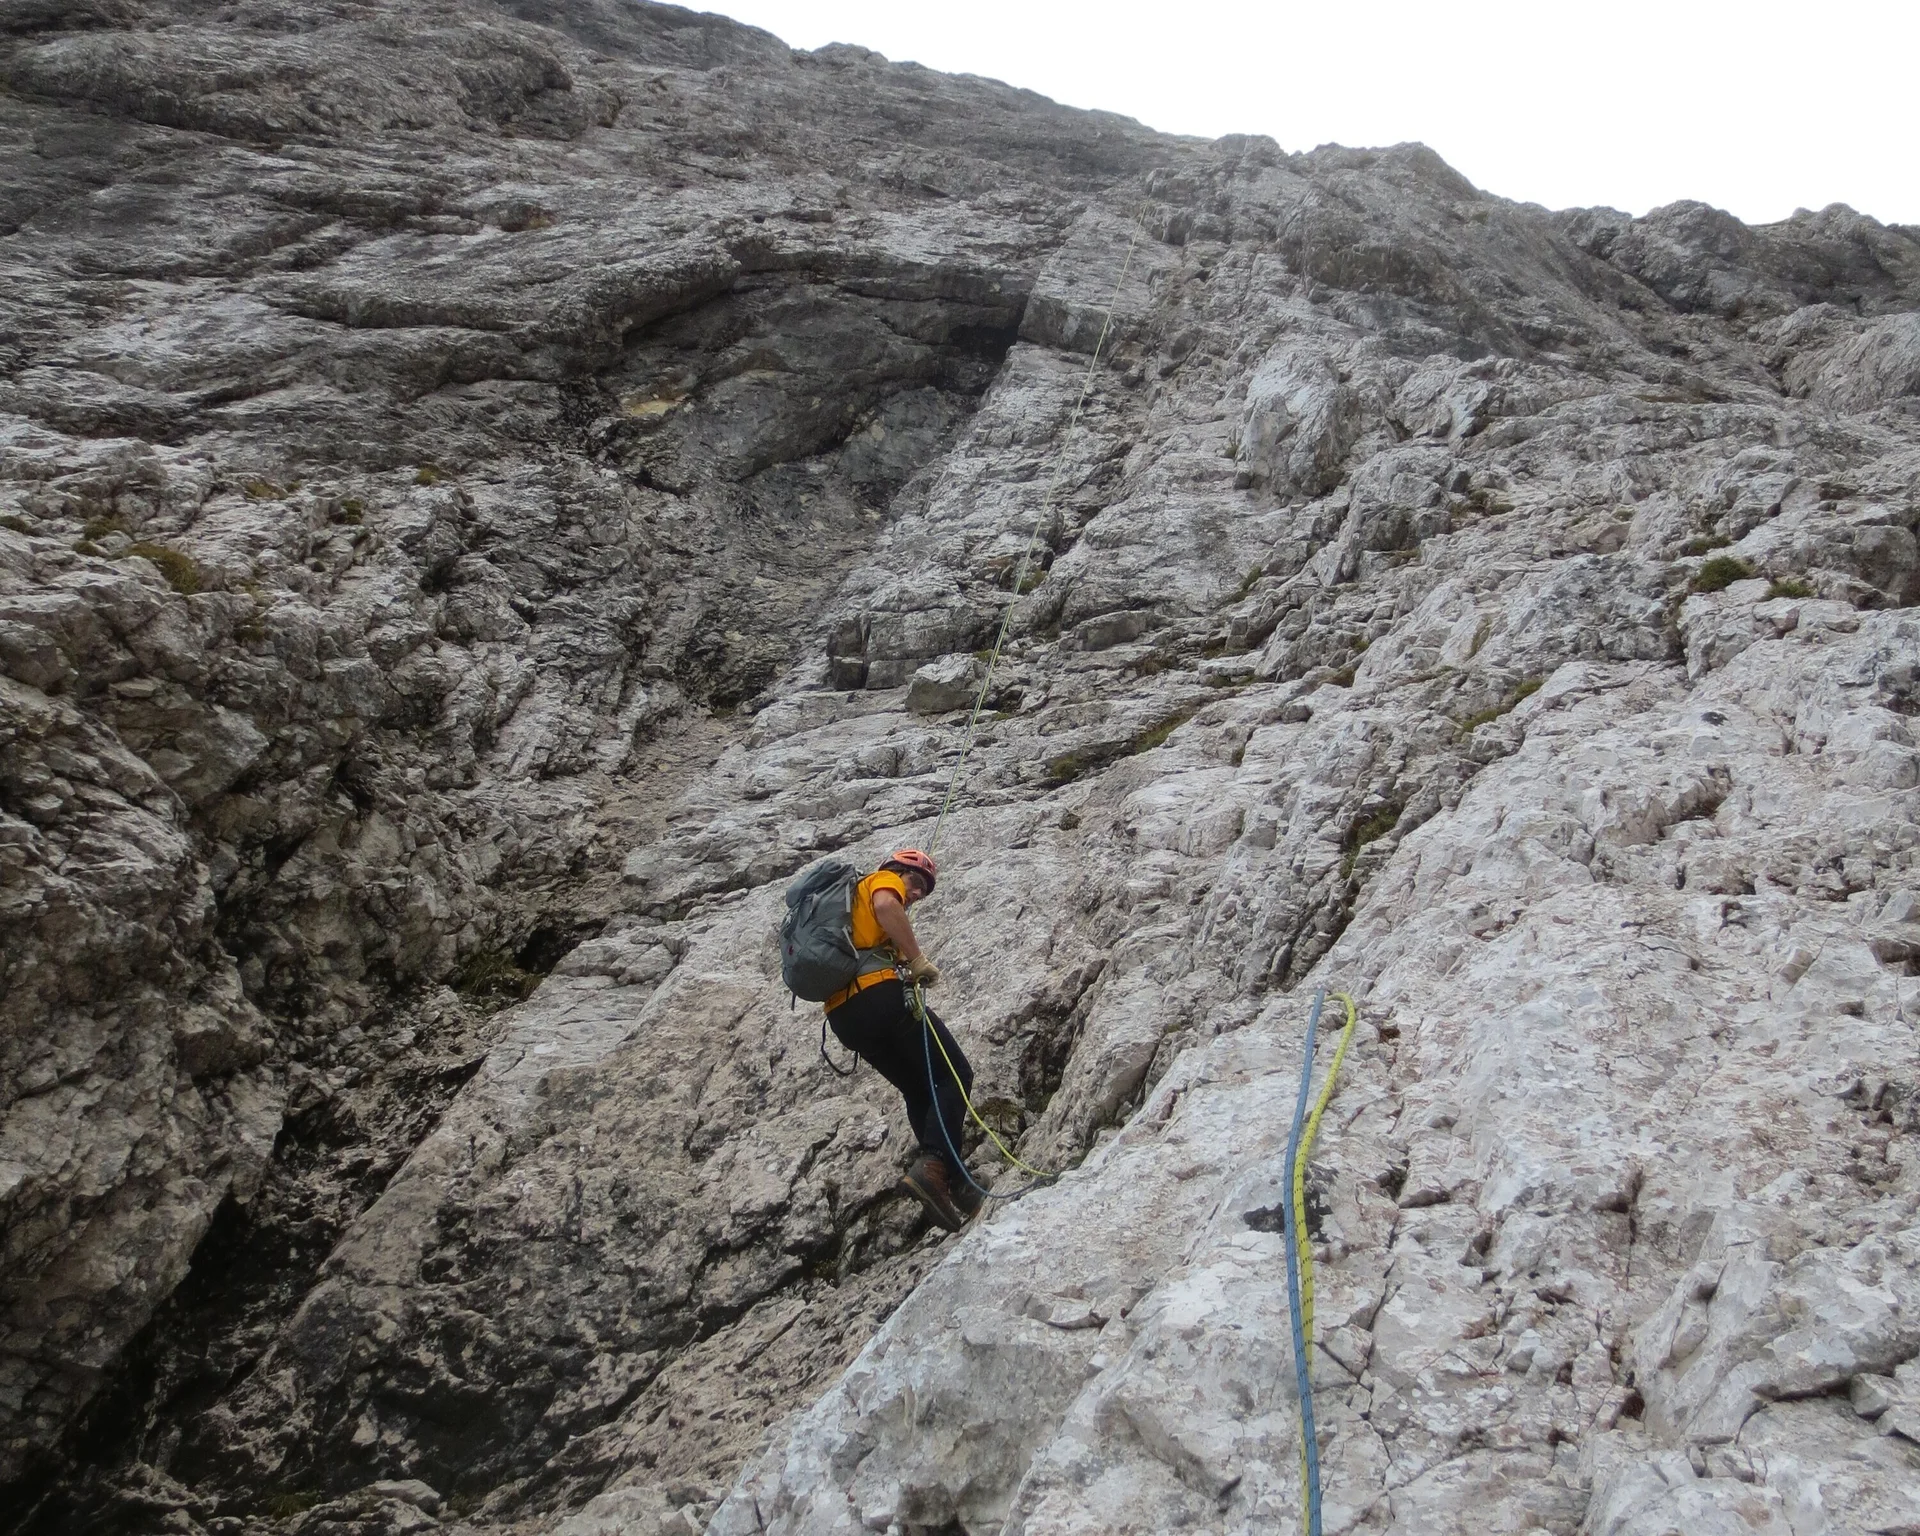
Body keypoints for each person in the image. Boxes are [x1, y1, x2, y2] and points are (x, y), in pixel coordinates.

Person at [824, 848, 979, 1231]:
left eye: (923, 892)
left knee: (918, 1089)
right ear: (897, 870)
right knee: (954, 1074)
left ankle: (953, 1182)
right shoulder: (880, 881)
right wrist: (915, 959)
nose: (916, 895)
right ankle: (935, 1167)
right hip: (878, 998)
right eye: (915, 884)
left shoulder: (847, 913)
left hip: (845, 1018)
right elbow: (886, 906)